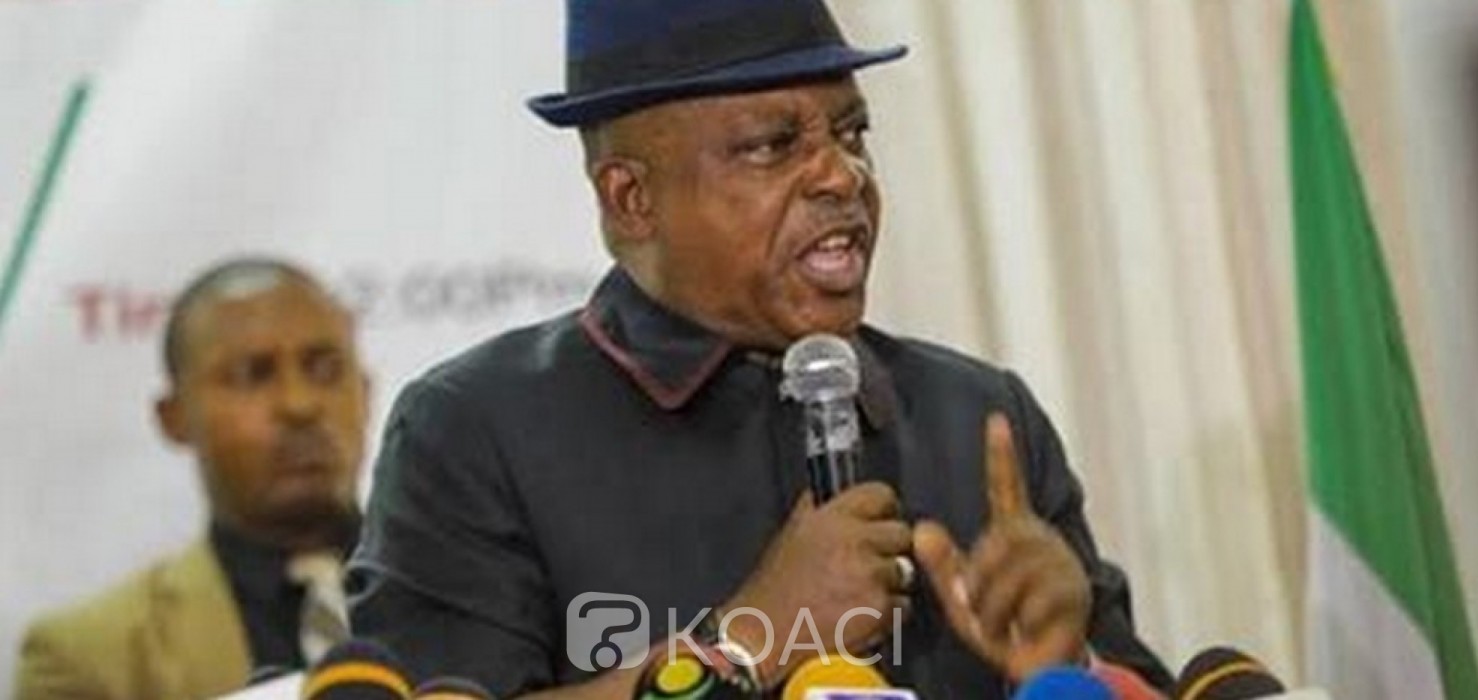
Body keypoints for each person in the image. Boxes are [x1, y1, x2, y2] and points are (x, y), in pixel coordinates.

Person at [348, 0, 1172, 696]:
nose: (842, 176)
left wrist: (1071, 664)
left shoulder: (980, 417)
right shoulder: (476, 432)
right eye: (773, 145)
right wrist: (747, 642)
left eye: (852, 132)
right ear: (631, 200)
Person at [15, 258, 371, 700]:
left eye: (324, 368)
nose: (299, 404)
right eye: (252, 374)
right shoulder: (89, 658)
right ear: (174, 417)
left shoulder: (454, 588)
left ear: (366, 391)